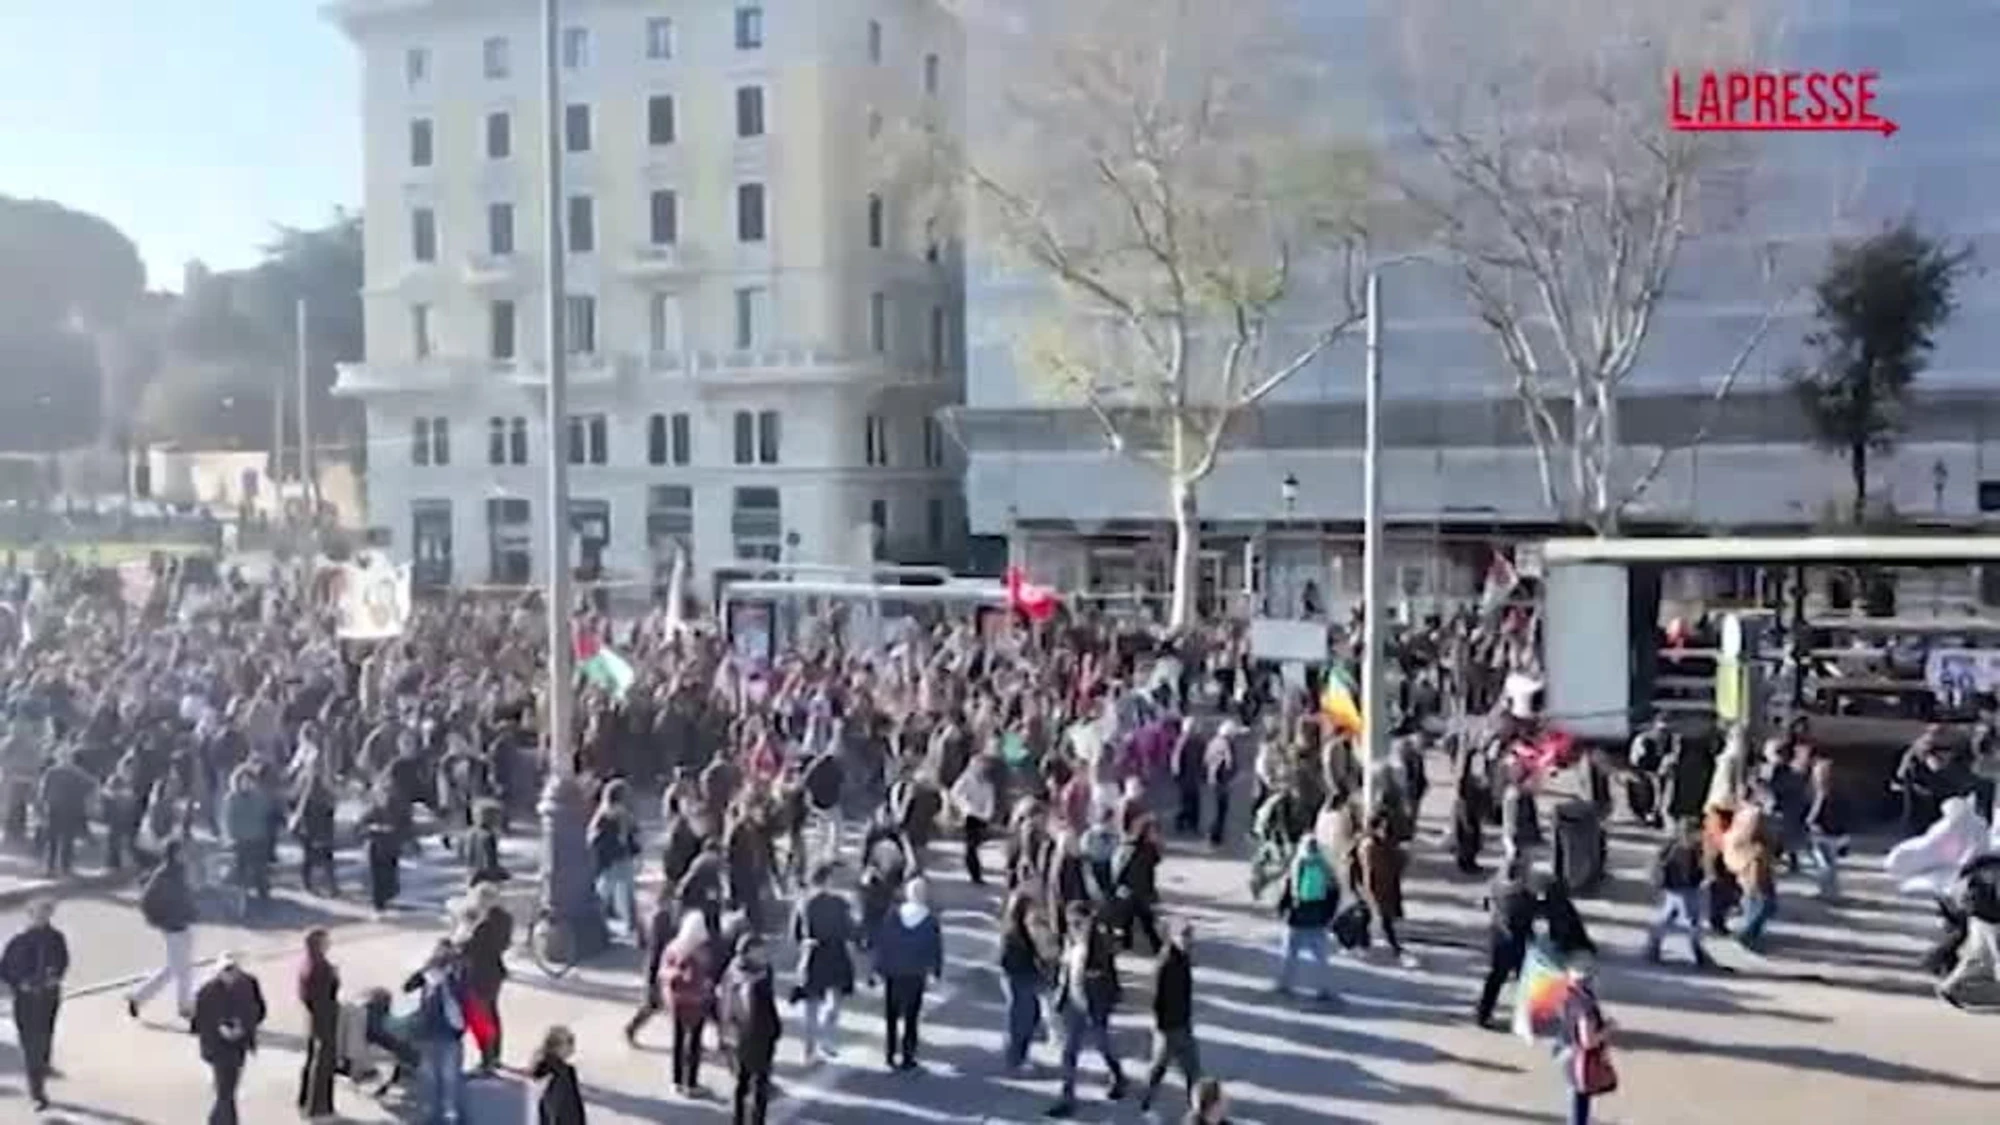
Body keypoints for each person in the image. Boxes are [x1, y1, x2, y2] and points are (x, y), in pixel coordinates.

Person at [1047, 904, 1126, 1118]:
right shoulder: (1069, 941)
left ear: (1088, 922)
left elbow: (1110, 977)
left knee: (1102, 1045)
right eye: (1071, 923)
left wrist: (1105, 995)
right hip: (1074, 1004)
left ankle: (1118, 1075)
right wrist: (1060, 999)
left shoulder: (1098, 945)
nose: (1074, 927)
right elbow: (1064, 972)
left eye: (1078, 923)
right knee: (1069, 1052)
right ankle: (1067, 1097)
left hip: (1094, 1006)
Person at [0, 897, 69, 1110]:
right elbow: (5, 969)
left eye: (46, 912)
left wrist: (55, 976)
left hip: (48, 996)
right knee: (31, 1043)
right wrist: (19, 983)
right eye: (38, 913)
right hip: (26, 999)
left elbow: (63, 961)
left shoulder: (56, 938)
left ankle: (40, 1067)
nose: (42, 917)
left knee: (45, 1035)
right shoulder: (19, 940)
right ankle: (37, 1091)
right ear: (30, 914)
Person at [872, 875, 944, 1072]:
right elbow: (935, 949)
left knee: (891, 1014)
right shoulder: (929, 920)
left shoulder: (893, 916)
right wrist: (935, 972)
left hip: (893, 972)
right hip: (915, 973)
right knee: (912, 1016)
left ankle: (889, 1053)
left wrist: (877, 969)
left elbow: (883, 944)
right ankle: (908, 1055)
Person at [788, 860, 857, 1061]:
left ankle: (809, 1049)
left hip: (813, 954)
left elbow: (794, 935)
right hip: (836, 954)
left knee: (812, 1005)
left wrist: (803, 945)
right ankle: (827, 1037)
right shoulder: (840, 903)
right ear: (828, 879)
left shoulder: (803, 903)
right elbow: (850, 929)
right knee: (834, 1002)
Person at [127, 838, 199, 1026]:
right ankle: (184, 1007)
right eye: (182, 851)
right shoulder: (165, 874)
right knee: (180, 969)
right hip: (173, 927)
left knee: (177, 969)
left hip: (182, 924)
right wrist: (160, 919)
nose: (186, 854)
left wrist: (191, 910)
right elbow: (146, 900)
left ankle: (140, 997)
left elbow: (186, 895)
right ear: (174, 854)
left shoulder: (179, 872)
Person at [193, 953, 268, 1125]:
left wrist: (244, 1026)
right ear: (218, 972)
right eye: (226, 971)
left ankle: (218, 1120)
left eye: (233, 970)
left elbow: (260, 1010)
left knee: (228, 1089)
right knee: (225, 1090)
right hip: (217, 1047)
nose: (230, 975)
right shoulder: (207, 991)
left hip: (239, 1044)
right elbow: (198, 1022)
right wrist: (219, 1028)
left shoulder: (249, 984)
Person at [1138, 919, 1201, 1117]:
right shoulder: (1165, 962)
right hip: (1167, 1027)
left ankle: (1198, 1109)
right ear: (1172, 936)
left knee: (1193, 1070)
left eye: (1189, 936)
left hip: (1182, 1023)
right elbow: (1155, 997)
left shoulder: (1183, 957)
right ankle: (1145, 1100)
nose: (1186, 940)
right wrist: (1159, 1026)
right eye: (1183, 936)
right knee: (1158, 1067)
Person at [407, 939, 469, 1124]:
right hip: (434, 1034)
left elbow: (462, 1000)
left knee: (446, 1079)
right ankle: (436, 1115)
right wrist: (425, 970)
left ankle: (447, 1116)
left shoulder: (456, 975)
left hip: (446, 1035)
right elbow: (408, 986)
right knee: (434, 1079)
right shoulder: (430, 975)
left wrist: (443, 976)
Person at [724, 933, 782, 1125]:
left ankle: (738, 1120)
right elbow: (766, 1009)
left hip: (736, 1035)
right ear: (748, 952)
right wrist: (774, 1031)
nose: (764, 954)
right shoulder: (760, 977)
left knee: (742, 1083)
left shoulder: (732, 971)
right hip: (756, 1037)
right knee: (759, 1085)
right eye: (759, 950)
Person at [1642, 817, 1715, 968]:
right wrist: (1702, 879)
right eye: (1698, 832)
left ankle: (1652, 947)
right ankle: (1698, 952)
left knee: (1667, 918)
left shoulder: (1672, 845)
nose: (1701, 835)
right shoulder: (1685, 850)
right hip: (1684, 890)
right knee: (1692, 922)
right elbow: (1688, 873)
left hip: (1673, 889)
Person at [1474, 858, 1538, 1029]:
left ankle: (1483, 1013)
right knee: (1524, 979)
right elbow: (1530, 914)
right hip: (1516, 940)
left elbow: (1486, 902)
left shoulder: (1497, 885)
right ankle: (1524, 1017)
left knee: (1495, 977)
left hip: (1497, 936)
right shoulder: (1523, 895)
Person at [458, 882, 514, 1075]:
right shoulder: (505, 919)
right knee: (492, 1014)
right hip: (495, 972)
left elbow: (467, 947)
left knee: (482, 1018)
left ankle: (487, 1059)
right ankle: (495, 1055)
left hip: (480, 973)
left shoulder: (484, 924)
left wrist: (465, 929)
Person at [1273, 836, 1338, 1001]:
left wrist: (1281, 909)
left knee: (1289, 953)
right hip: (1318, 918)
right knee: (1321, 957)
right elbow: (1333, 892)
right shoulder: (1325, 867)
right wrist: (1329, 915)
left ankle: (1284, 984)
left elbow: (1288, 891)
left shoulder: (1297, 864)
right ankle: (1324, 988)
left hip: (1297, 916)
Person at [1553, 964, 1618, 1125]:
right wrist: (1608, 1029)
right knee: (1580, 1107)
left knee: (1577, 1100)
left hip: (1567, 1053)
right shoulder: (1585, 1006)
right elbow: (1587, 1041)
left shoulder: (1567, 995)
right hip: (1581, 1060)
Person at [661, 910, 716, 1097]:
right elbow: (698, 977)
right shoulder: (698, 951)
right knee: (693, 1041)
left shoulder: (673, 946)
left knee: (677, 1039)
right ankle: (690, 1083)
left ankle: (676, 1080)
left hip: (675, 1000)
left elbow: (663, 971)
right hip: (694, 1001)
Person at [998, 889, 1050, 1072]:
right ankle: (1016, 1059)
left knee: (1027, 1018)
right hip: (1019, 981)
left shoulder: (1018, 930)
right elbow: (1007, 960)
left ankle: (1018, 1056)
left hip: (1022, 980)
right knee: (1021, 1022)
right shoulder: (1014, 934)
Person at [297, 928, 341, 1122]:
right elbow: (326, 992)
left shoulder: (308, 963)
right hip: (324, 1017)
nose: (328, 944)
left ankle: (305, 1101)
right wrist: (335, 977)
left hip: (314, 1017)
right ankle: (319, 1108)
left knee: (313, 1059)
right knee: (323, 1062)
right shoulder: (320, 967)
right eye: (326, 941)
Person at [532, 1025, 587, 1125]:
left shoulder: (563, 1071)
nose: (573, 1048)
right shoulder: (556, 1073)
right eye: (570, 1043)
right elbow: (552, 1108)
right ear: (557, 1046)